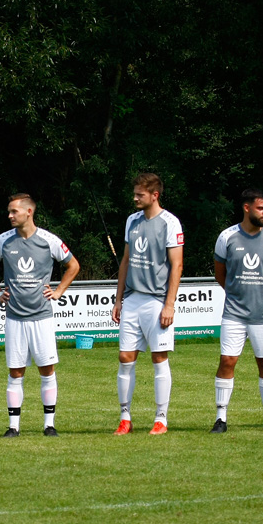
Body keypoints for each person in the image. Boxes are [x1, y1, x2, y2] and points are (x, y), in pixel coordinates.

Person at [0, 193, 80, 437]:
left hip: (42, 317)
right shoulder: (2, 241)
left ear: (29, 212)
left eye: (14, 211)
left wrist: (58, 291)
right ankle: (13, 427)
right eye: (9, 211)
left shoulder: (49, 240)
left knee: (47, 369)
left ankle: (49, 425)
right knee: (16, 371)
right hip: (15, 317)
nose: (9, 216)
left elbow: (73, 265)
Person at [210, 189, 263, 433]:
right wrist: (236, 293)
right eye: (261, 208)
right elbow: (220, 273)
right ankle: (221, 418)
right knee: (227, 361)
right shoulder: (227, 237)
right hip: (234, 313)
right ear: (246, 208)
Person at [110, 173, 183, 435]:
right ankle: (125, 417)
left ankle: (161, 419)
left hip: (156, 300)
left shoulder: (170, 223)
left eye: (140, 194)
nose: (135, 198)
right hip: (132, 299)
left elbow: (177, 265)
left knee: (158, 357)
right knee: (125, 357)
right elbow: (126, 262)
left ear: (155, 195)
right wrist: (118, 300)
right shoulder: (132, 220)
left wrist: (169, 304)